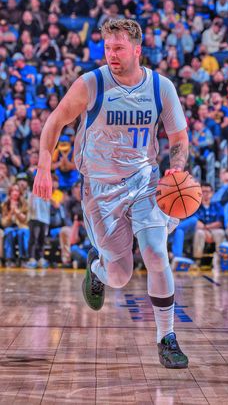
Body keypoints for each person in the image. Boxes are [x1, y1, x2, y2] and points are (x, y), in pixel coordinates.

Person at [33, 19, 189, 369]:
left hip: (144, 181)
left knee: (155, 252)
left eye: (118, 48)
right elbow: (55, 121)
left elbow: (179, 140)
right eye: (107, 48)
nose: (111, 54)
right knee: (120, 275)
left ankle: (167, 338)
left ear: (137, 50)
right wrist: (44, 162)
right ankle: (97, 268)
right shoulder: (92, 83)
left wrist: (176, 167)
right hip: (102, 190)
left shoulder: (161, 87)